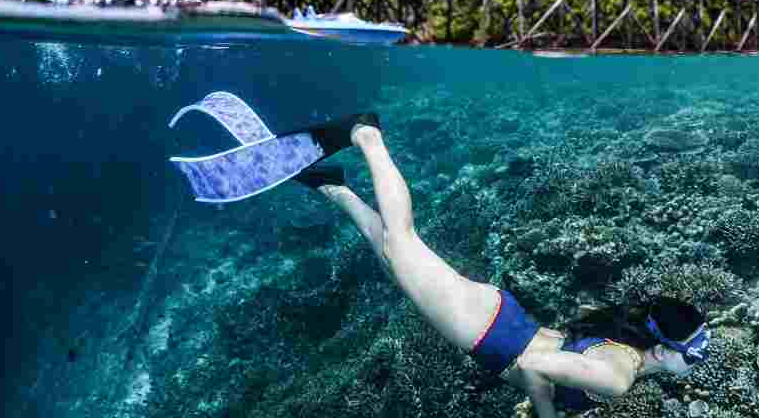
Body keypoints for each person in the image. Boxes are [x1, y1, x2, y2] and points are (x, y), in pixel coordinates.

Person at [294, 115, 711, 417]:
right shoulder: (619, 379)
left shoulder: (627, 353)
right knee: (402, 242)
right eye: (695, 353)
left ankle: (334, 187)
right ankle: (367, 135)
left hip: (499, 318)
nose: (701, 359)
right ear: (662, 348)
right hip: (484, 331)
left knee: (395, 262)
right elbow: (532, 366)